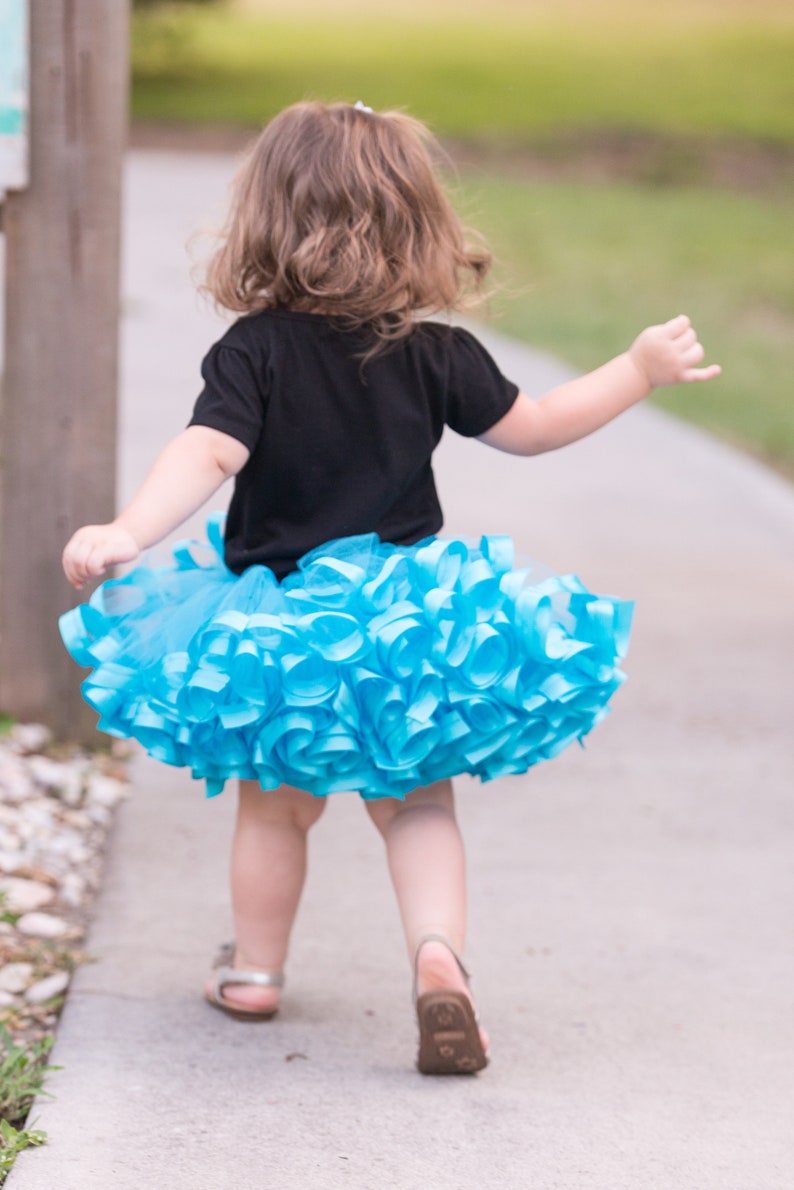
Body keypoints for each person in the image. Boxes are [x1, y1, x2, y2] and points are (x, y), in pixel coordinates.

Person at [60, 101, 720, 1076]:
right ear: (421, 227)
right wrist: (634, 369)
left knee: (274, 805)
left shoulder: (254, 350)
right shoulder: (434, 351)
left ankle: (253, 969)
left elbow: (207, 451)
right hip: (408, 629)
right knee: (416, 807)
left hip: (283, 631)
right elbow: (535, 425)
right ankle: (437, 959)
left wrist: (127, 528)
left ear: (267, 220)